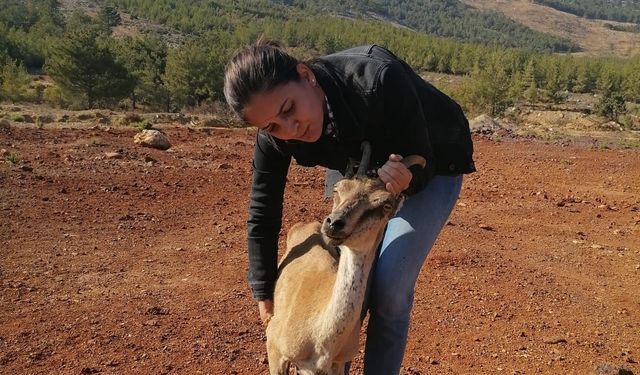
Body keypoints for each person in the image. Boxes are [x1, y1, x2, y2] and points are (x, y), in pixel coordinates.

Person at [223, 39, 475, 374]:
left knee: (389, 289)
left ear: (305, 75)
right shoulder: (279, 136)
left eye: (289, 109)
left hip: (430, 158)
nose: (291, 129)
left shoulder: (377, 79)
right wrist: (263, 287)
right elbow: (263, 209)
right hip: (356, 162)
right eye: (272, 126)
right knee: (345, 276)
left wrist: (407, 179)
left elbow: (421, 157)